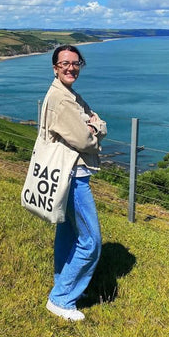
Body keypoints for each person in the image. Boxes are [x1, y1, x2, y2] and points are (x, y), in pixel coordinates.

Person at [43, 44, 107, 321]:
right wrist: (94, 131)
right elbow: (84, 140)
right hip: (73, 175)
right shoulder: (63, 100)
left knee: (68, 234)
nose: (71, 67)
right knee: (91, 241)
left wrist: (95, 127)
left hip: (67, 173)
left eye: (75, 63)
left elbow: (97, 122)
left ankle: (64, 284)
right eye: (64, 63)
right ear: (56, 67)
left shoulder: (71, 95)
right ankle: (61, 299)